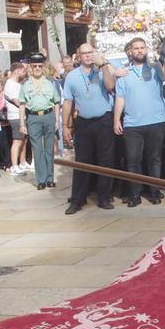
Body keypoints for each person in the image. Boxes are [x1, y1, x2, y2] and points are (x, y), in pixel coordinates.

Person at [112, 38, 165, 205]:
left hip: (156, 120)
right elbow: (120, 98)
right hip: (132, 123)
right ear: (130, 51)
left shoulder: (155, 68)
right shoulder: (124, 73)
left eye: (142, 48)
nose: (139, 51)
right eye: (136, 48)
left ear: (146, 49)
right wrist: (117, 119)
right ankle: (134, 194)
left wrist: (164, 57)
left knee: (154, 158)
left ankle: (155, 190)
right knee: (133, 159)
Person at [62, 43, 117, 214]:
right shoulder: (71, 76)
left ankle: (104, 197)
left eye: (90, 52)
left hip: (103, 120)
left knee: (105, 160)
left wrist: (102, 65)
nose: (88, 56)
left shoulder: (102, 70)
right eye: (84, 53)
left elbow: (110, 86)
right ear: (78, 57)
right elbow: (68, 102)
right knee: (82, 162)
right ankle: (78, 199)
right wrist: (65, 125)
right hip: (84, 122)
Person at [19, 54, 60, 191]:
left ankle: (50, 178)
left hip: (48, 115)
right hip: (33, 118)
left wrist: (57, 120)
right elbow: (22, 104)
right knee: (37, 149)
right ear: (30, 67)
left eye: (39, 66)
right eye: (34, 66)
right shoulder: (25, 83)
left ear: (43, 67)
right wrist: (22, 123)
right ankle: (41, 179)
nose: (37, 68)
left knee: (49, 148)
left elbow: (56, 102)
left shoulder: (49, 81)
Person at [1, 62, 31, 176]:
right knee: (17, 141)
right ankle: (14, 165)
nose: (24, 74)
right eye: (23, 71)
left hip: (22, 116)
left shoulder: (18, 84)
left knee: (24, 140)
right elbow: (18, 102)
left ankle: (23, 163)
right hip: (15, 116)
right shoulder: (10, 84)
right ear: (17, 71)